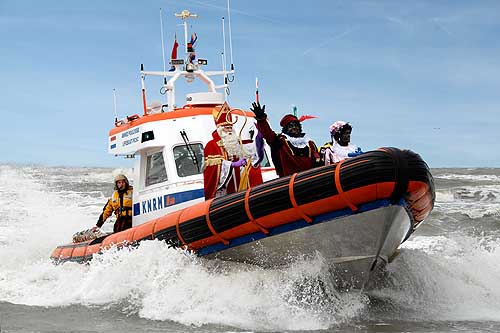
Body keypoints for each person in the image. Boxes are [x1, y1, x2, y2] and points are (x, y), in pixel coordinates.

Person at [203, 103, 263, 199]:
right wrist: (232, 165)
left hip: (238, 189)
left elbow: (252, 152)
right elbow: (213, 169)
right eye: (227, 128)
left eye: (231, 127)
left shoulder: (236, 143)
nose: (230, 130)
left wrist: (260, 132)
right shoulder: (212, 145)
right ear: (220, 130)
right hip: (222, 193)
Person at [251, 101, 320, 177]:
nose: (294, 127)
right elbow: (268, 134)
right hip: (290, 182)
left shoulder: (310, 143)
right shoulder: (281, 141)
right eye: (290, 126)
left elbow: (317, 161)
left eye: (296, 125)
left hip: (310, 180)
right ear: (286, 129)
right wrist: (261, 119)